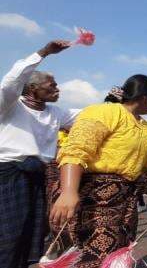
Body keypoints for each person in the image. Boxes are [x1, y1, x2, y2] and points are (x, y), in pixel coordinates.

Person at [50, 75, 147, 268]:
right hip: (93, 197)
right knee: (93, 251)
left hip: (125, 200)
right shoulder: (103, 112)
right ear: (146, 97)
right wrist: (69, 191)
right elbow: (76, 150)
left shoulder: (145, 127)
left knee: (119, 248)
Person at [0, 40, 80, 268]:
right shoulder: (10, 106)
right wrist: (44, 52)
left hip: (38, 175)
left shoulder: (56, 113)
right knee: (9, 234)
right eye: (51, 85)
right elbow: (10, 82)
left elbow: (87, 116)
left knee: (32, 232)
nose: (57, 89)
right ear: (32, 88)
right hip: (9, 175)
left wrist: (119, 105)